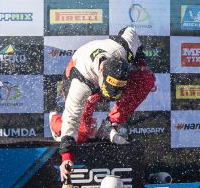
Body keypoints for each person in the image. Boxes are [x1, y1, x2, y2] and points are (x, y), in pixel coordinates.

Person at [49, 27, 155, 179]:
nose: (109, 98)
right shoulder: (80, 84)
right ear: (100, 72)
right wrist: (66, 157)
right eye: (108, 91)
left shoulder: (123, 49)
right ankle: (54, 121)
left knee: (146, 79)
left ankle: (109, 125)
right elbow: (72, 120)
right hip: (79, 74)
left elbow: (130, 31)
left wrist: (142, 64)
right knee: (81, 134)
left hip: (102, 71)